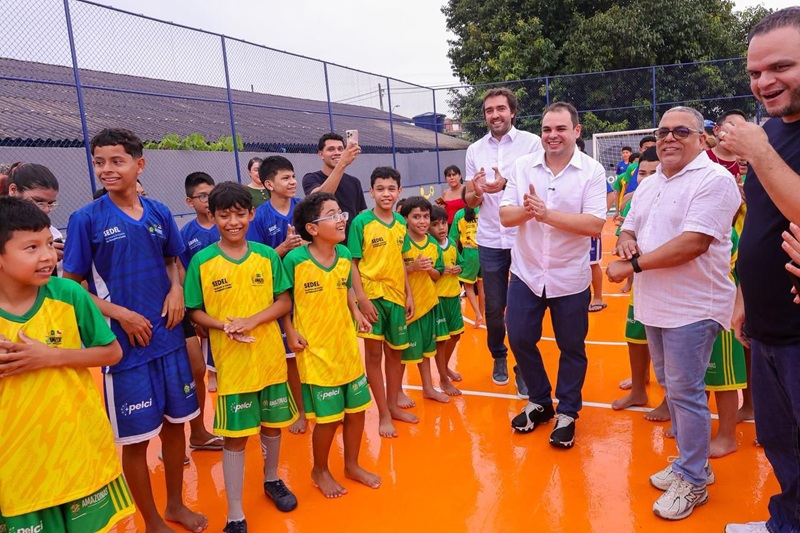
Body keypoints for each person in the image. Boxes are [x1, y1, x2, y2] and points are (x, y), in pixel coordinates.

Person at [63, 128, 207, 533]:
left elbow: (172, 262)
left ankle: (176, 505)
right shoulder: (85, 219)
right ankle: (152, 520)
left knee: (176, 427)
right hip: (126, 350)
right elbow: (72, 287)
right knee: (136, 441)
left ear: (139, 164)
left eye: (116, 161)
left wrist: (177, 289)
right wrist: (120, 314)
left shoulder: (160, 212)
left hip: (169, 338)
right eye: (99, 162)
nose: (107, 170)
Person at [606, 106, 740, 521]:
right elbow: (630, 223)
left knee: (686, 391)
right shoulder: (650, 183)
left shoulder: (715, 180)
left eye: (681, 131)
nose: (668, 138)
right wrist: (627, 239)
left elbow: (693, 243)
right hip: (655, 304)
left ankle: (694, 480)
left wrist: (631, 266)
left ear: (703, 139)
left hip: (693, 306)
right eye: (662, 131)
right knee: (671, 385)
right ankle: (691, 463)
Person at [0, 196, 134, 533]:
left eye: (48, 242)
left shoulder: (67, 295)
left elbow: (111, 352)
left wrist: (50, 357)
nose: (47, 256)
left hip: (77, 450)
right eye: (31, 247)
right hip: (17, 465)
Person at [721, 8, 800, 532]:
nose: (763, 82)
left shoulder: (765, 138)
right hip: (768, 325)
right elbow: (762, 218)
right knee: (777, 440)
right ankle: (787, 522)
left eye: (781, 67)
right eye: (754, 72)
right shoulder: (772, 128)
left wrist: (757, 149)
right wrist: (745, 296)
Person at [184, 182, 297, 532]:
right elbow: (194, 311)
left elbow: (284, 301)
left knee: (272, 424)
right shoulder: (202, 261)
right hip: (231, 364)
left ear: (251, 214)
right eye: (224, 215)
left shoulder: (266, 254)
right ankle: (235, 512)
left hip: (270, 357)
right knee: (235, 435)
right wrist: (224, 325)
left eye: (239, 214)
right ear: (212, 216)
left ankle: (272, 479)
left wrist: (251, 320)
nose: (232, 221)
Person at [499, 101, 606, 449]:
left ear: (576, 131)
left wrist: (547, 214)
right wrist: (530, 213)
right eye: (547, 129)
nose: (552, 135)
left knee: (571, 346)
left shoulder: (591, 171)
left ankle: (568, 412)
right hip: (527, 273)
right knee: (518, 337)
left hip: (570, 278)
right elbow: (505, 215)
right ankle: (541, 402)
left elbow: (594, 224)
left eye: (560, 129)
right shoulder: (522, 166)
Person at [283, 192, 381, 498]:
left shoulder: (342, 256)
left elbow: (346, 291)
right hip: (315, 351)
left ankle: (351, 464)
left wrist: (356, 312)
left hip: (347, 348)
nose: (341, 219)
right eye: (333, 214)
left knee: (357, 411)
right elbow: (284, 301)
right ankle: (320, 470)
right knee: (328, 419)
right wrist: (289, 332)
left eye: (341, 213)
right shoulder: (295, 260)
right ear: (312, 228)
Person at [464, 87, 542, 393]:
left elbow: (539, 184)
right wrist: (477, 191)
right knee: (495, 308)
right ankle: (498, 354)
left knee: (525, 308)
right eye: (489, 110)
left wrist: (506, 183)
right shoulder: (474, 150)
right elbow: (470, 200)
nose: (494, 115)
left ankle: (523, 366)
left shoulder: (532, 143)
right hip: (490, 239)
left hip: (524, 236)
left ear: (512, 111)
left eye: (500, 109)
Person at [348, 166, 414, 438]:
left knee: (396, 353)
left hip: (397, 296)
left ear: (399, 192)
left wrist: (409, 293)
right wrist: (361, 298)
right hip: (372, 298)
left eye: (391, 189)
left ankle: (393, 405)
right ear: (371, 191)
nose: (386, 194)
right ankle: (384, 414)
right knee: (374, 356)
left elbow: (401, 259)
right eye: (380, 189)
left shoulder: (400, 223)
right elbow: (352, 262)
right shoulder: (360, 223)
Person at [246, 155, 307, 434]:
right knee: (290, 356)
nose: (292, 181)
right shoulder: (259, 217)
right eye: (285, 177)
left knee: (313, 348)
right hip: (279, 296)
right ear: (268, 184)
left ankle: (323, 401)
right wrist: (283, 248)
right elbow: (257, 260)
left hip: (310, 289)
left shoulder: (304, 209)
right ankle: (299, 409)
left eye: (293, 176)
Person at [610, 147, 662, 416]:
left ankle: (669, 401)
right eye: (642, 172)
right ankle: (639, 388)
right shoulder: (635, 201)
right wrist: (625, 243)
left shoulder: (673, 197)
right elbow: (623, 234)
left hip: (667, 285)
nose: (647, 177)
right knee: (635, 336)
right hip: (641, 283)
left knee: (666, 344)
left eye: (655, 172)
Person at [178, 172, 223, 451]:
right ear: (189, 201)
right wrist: (194, 314)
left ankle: (236, 421)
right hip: (204, 315)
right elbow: (182, 274)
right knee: (202, 368)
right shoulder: (186, 234)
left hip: (233, 310)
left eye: (211, 193)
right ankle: (197, 431)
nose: (208, 201)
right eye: (202, 196)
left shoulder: (228, 225)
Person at [400, 196, 450, 405]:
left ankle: (428, 388)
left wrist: (428, 269)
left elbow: (438, 274)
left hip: (428, 303)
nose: (422, 221)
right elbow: (396, 270)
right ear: (405, 219)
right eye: (416, 217)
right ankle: (397, 391)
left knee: (427, 350)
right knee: (400, 350)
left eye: (425, 217)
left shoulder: (433, 245)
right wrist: (412, 268)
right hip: (407, 306)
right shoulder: (401, 242)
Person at [430, 204, 465, 393]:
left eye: (443, 223)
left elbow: (460, 261)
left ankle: (444, 368)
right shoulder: (430, 245)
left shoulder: (451, 242)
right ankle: (443, 378)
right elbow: (431, 272)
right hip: (439, 298)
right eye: (435, 224)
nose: (441, 228)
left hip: (453, 294)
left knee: (456, 334)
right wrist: (443, 271)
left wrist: (459, 268)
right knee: (441, 340)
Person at [6, 162, 64, 275]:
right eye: (39, 202)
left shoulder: (53, 234)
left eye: (51, 203)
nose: (46, 209)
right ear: (13, 190)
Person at [303, 133, 367, 232]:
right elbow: (319, 200)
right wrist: (342, 163)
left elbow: (360, 215)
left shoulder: (354, 182)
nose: (337, 153)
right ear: (321, 154)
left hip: (351, 243)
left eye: (340, 149)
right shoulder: (311, 178)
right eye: (331, 149)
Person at [450, 203, 484, 328]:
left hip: (470, 252)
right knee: (482, 286)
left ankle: (478, 314)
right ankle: (482, 315)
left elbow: (453, 238)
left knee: (468, 285)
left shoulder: (459, 214)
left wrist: (455, 257)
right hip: (485, 250)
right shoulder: (482, 210)